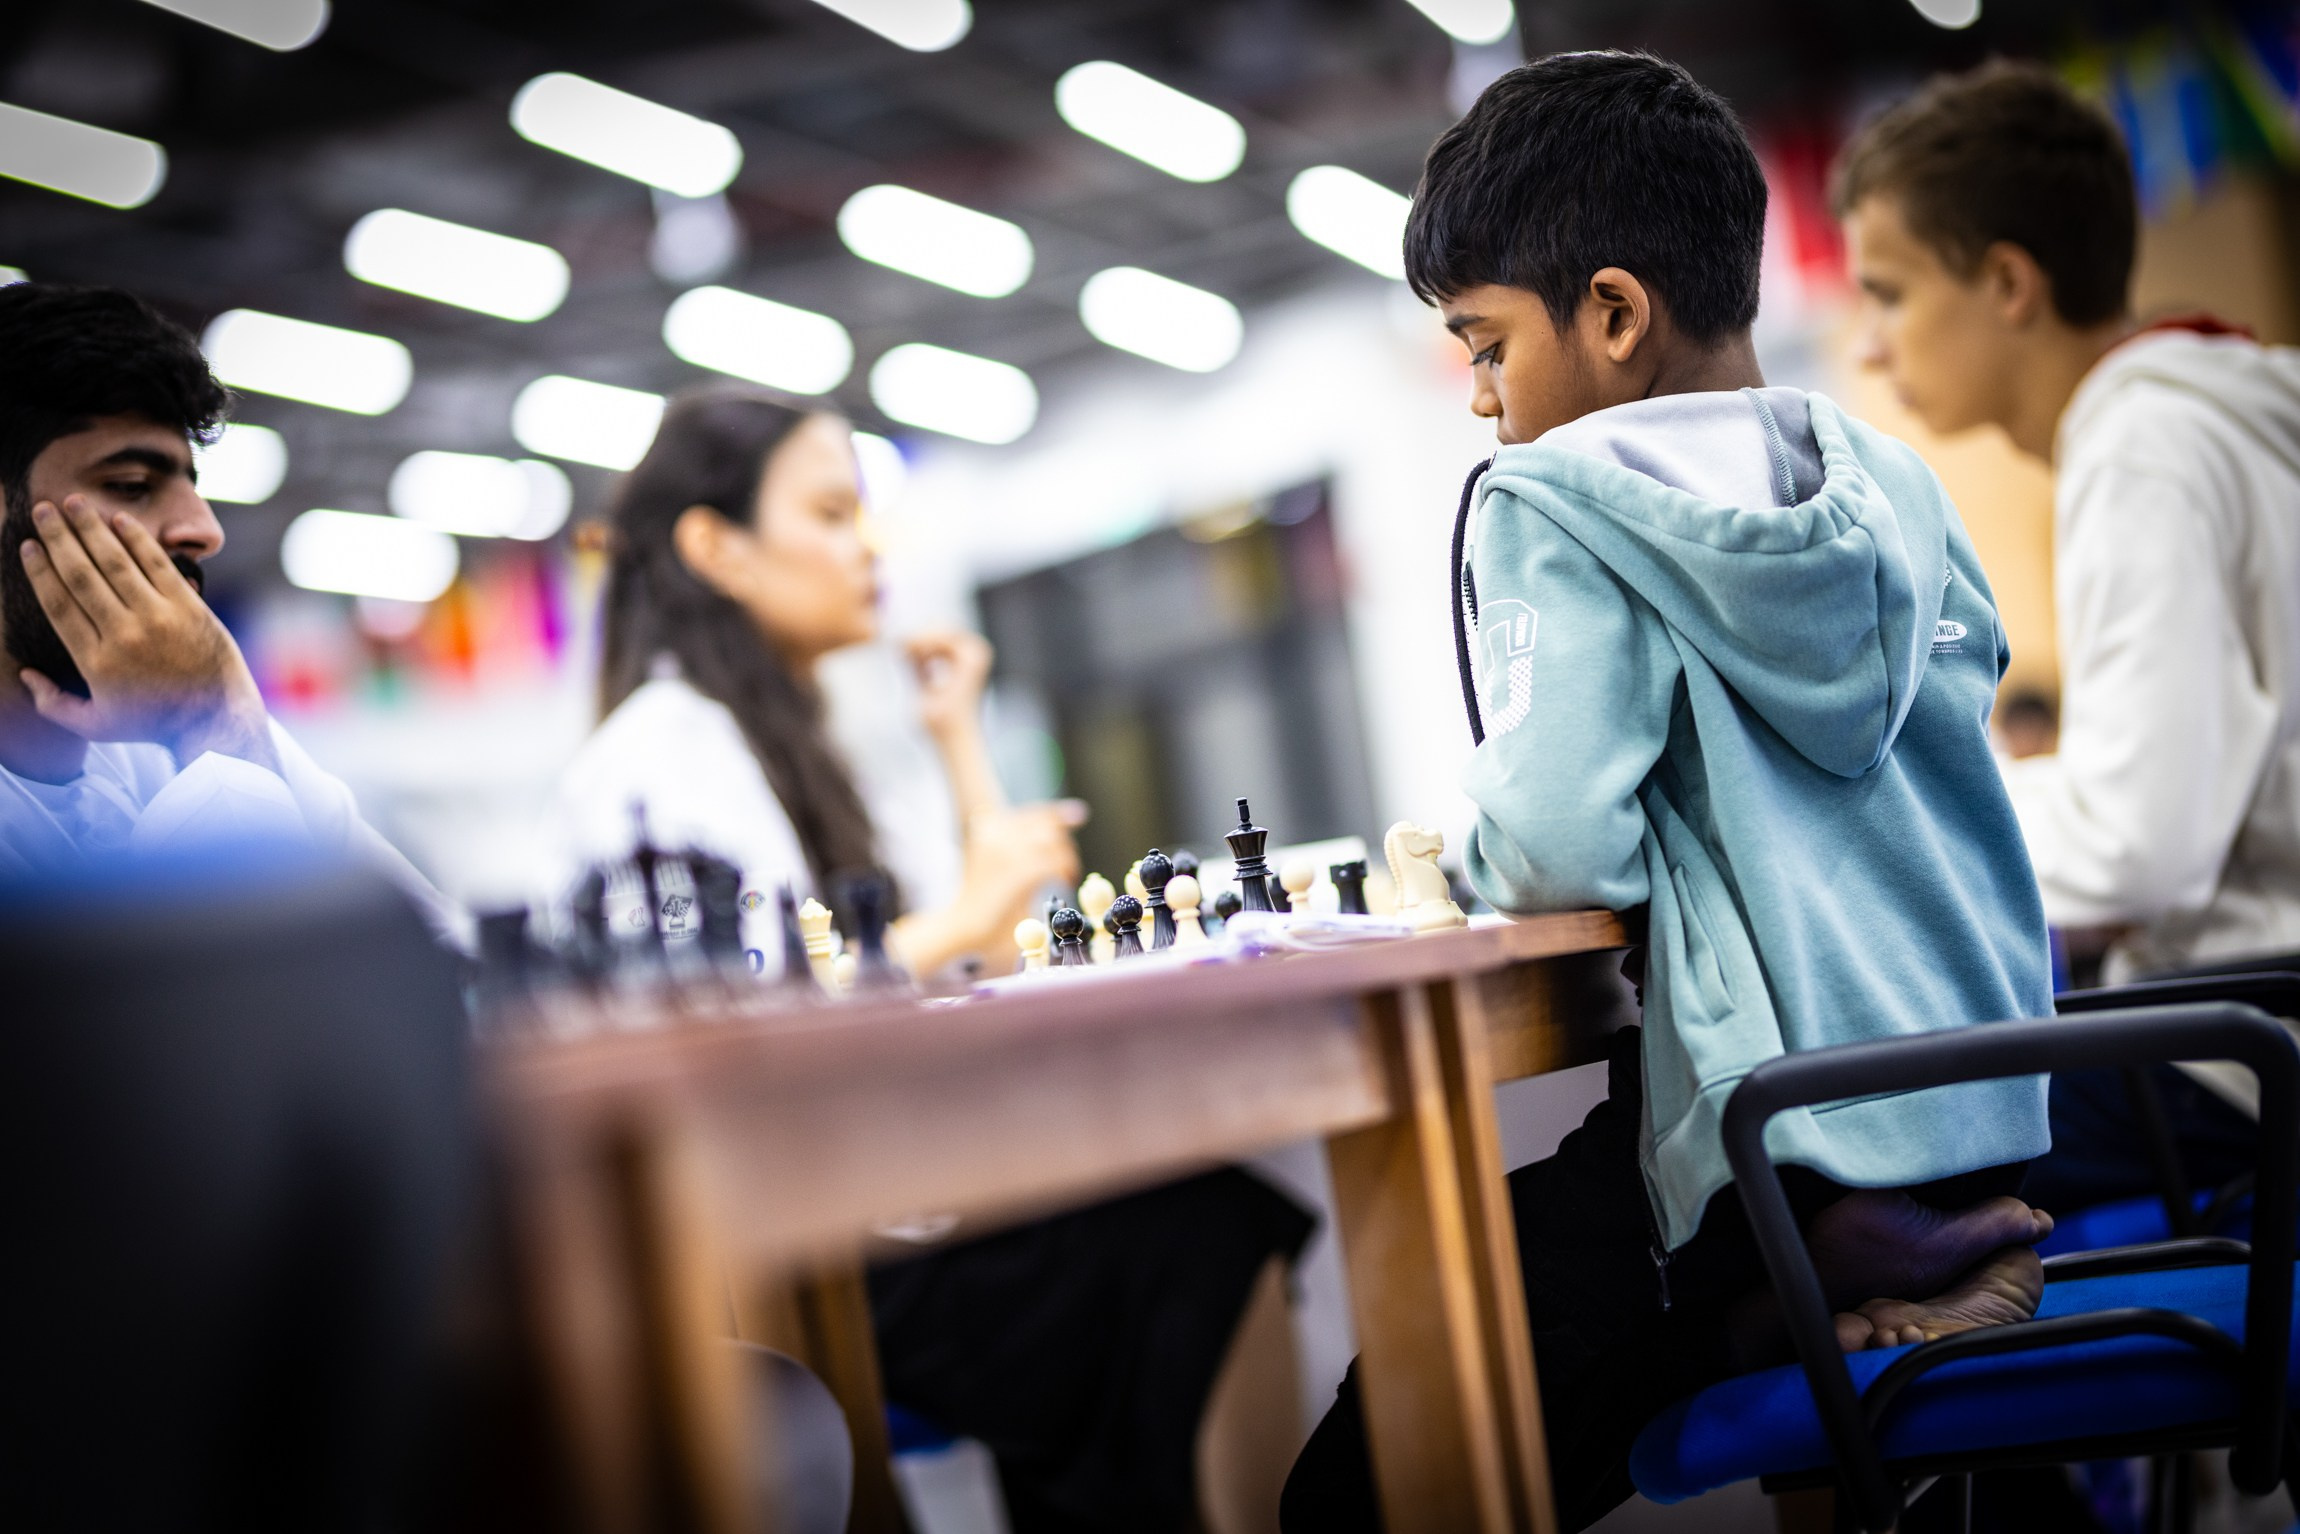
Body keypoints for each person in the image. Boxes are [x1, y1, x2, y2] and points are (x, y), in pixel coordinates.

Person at [1282, 53, 2056, 1532]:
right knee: (1712, 1367)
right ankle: (1835, 1290)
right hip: (2002, 1111)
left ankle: (1785, 1290)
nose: (1485, 401)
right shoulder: (1896, 481)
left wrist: (1482, 840)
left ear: (1615, 314)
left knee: (1359, 1486)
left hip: (1775, 1144)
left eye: (1486, 345)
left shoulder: (1554, 501)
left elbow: (1559, 845)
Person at [546, 387, 1313, 1532]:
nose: (868, 546)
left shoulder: (794, 741)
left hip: (877, 1204)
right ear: (716, 547)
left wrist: (959, 739)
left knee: (1198, 1217)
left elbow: (993, 938)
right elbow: (736, 1022)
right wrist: (960, 916)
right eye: (830, 512)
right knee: (1194, 1238)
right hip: (791, 1250)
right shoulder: (662, 754)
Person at [1834, 63, 2294, 1213]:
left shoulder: (2139, 442)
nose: (1870, 348)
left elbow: (2139, 847)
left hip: (2234, 1058)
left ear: (2004, 282)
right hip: (2252, 1015)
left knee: (1815, 1168)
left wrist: (1899, 835)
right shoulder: (2235, 394)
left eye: (1887, 294)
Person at [0, 282, 450, 933]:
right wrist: (205, 730)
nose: (204, 529)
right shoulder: (196, 717)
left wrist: (214, 728)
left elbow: (439, 966)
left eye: (193, 485)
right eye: (130, 485)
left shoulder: (197, 712)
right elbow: (252, 1018)